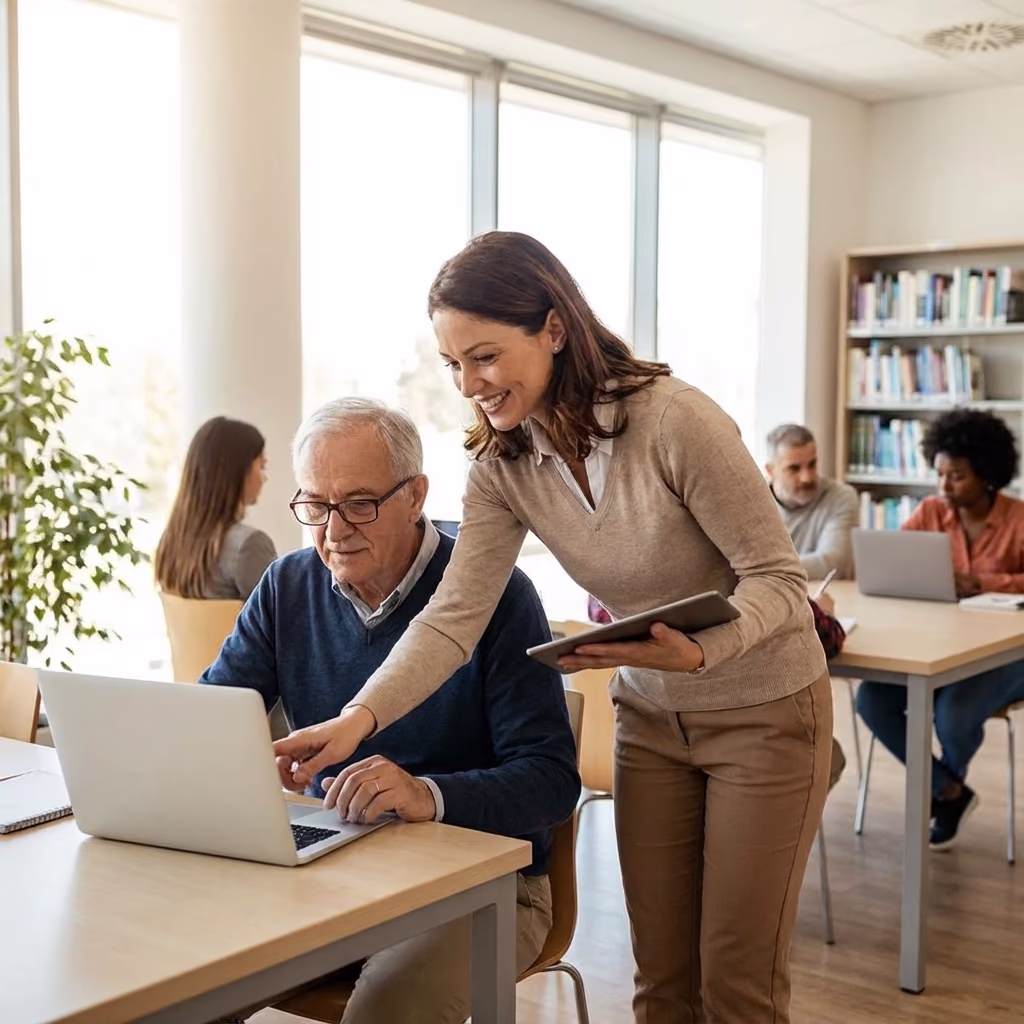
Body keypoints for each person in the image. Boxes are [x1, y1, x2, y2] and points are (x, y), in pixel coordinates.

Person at [275, 232, 832, 1024]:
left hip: (765, 712)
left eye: (486, 357)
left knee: (737, 986)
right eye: (454, 365)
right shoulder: (503, 467)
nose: (470, 384)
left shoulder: (677, 423)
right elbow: (450, 621)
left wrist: (705, 648)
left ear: (554, 331)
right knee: (662, 984)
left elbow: (781, 580)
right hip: (651, 717)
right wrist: (358, 720)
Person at [201, 397, 580, 1024]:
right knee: (186, 971)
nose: (333, 529)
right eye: (315, 505)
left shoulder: (497, 594)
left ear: (416, 496)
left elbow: (550, 783)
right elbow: (212, 718)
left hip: (484, 886)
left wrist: (427, 794)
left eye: (359, 504)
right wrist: (240, 761)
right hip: (334, 866)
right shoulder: (286, 585)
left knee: (389, 1004)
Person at [857, 408, 1024, 850]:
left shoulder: (1018, 519)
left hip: (1007, 653)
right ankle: (948, 791)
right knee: (873, 699)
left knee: (954, 715)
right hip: (939, 644)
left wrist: (980, 584)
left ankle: (943, 791)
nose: (944, 487)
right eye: (940, 475)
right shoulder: (930, 513)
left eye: (957, 477)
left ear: (987, 474)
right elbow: (897, 561)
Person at [155, 416, 276, 600]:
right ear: (237, 470)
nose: (264, 478)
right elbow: (287, 622)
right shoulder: (248, 545)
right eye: (262, 466)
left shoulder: (170, 540)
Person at [766, 423, 860, 580]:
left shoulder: (840, 497)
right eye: (794, 469)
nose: (807, 477)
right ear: (771, 471)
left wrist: (763, 572)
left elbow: (833, 565)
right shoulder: (751, 504)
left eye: (812, 464)